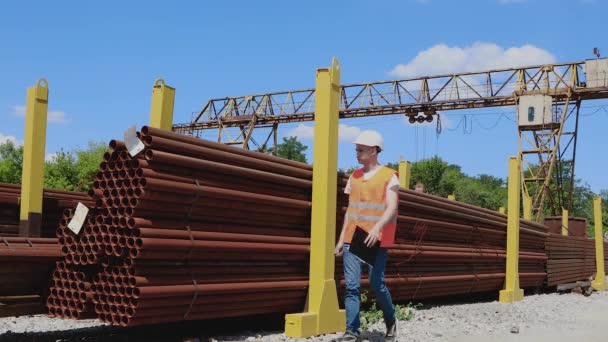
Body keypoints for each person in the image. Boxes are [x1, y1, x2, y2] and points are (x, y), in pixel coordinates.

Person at [334, 130, 399, 341]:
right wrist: (341, 238)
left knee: (376, 284)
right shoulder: (354, 176)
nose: (356, 153)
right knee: (352, 286)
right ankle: (351, 331)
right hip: (353, 236)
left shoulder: (389, 175)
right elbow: (351, 210)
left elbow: (392, 207)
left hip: (378, 236)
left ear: (373, 151)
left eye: (360, 150)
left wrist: (377, 227)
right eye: (356, 149)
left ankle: (391, 321)